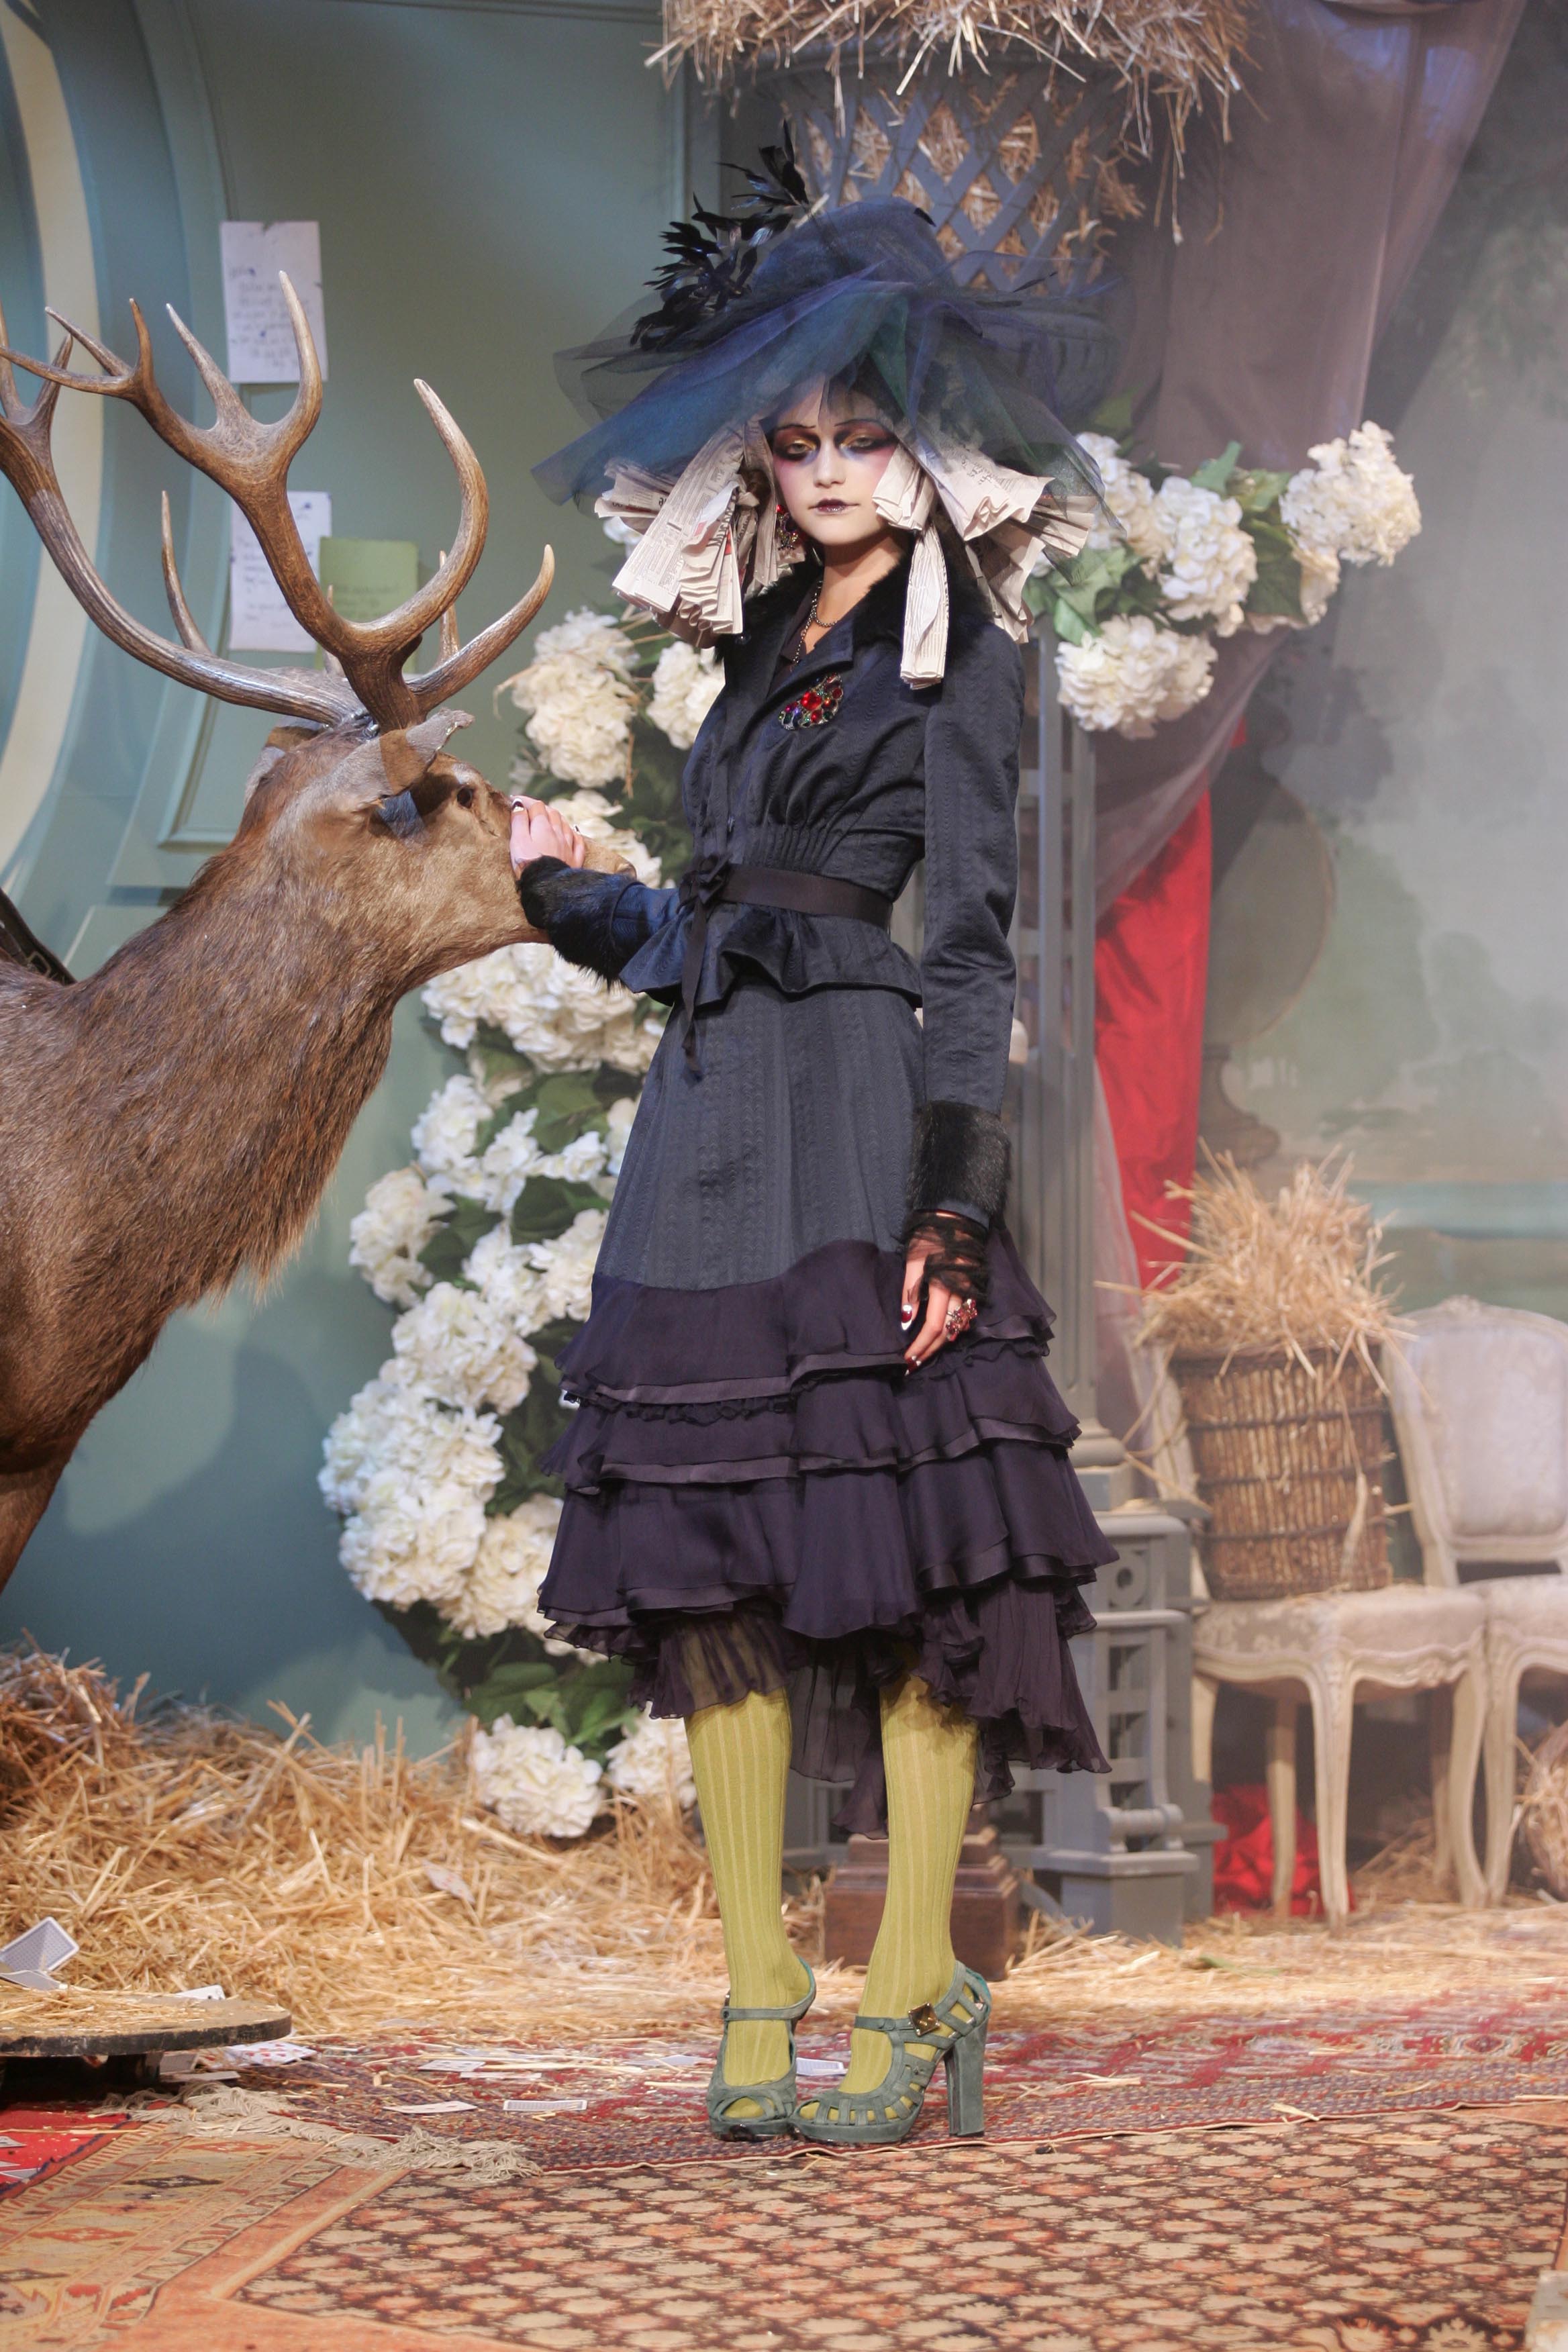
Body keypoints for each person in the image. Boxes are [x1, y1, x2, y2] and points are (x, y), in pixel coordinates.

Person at [510, 164, 1118, 2149]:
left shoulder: (967, 649)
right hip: (711, 1116)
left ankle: (917, 1976)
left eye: (864, 434)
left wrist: (956, 1203)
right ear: (759, 461)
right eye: (797, 442)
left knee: (921, 1543)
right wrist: (571, 898)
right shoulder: (762, 636)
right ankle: (760, 1982)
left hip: (860, 1110)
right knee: (712, 1550)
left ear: (925, 440)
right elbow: (721, 912)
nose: (831, 468)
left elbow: (969, 949)